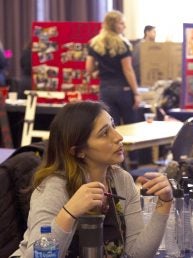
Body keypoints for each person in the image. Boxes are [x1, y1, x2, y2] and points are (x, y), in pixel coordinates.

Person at [13, 101, 172, 257]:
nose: (118, 137)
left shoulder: (121, 180)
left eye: (113, 126)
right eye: (104, 133)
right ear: (78, 151)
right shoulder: (54, 188)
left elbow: (136, 254)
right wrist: (69, 213)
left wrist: (164, 204)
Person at [86, 10, 141, 126]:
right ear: (113, 24)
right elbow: (128, 70)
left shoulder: (95, 43)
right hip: (123, 90)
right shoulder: (122, 44)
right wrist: (136, 93)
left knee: (111, 126)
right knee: (130, 126)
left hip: (105, 90)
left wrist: (98, 71)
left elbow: (89, 68)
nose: (124, 26)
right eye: (121, 23)